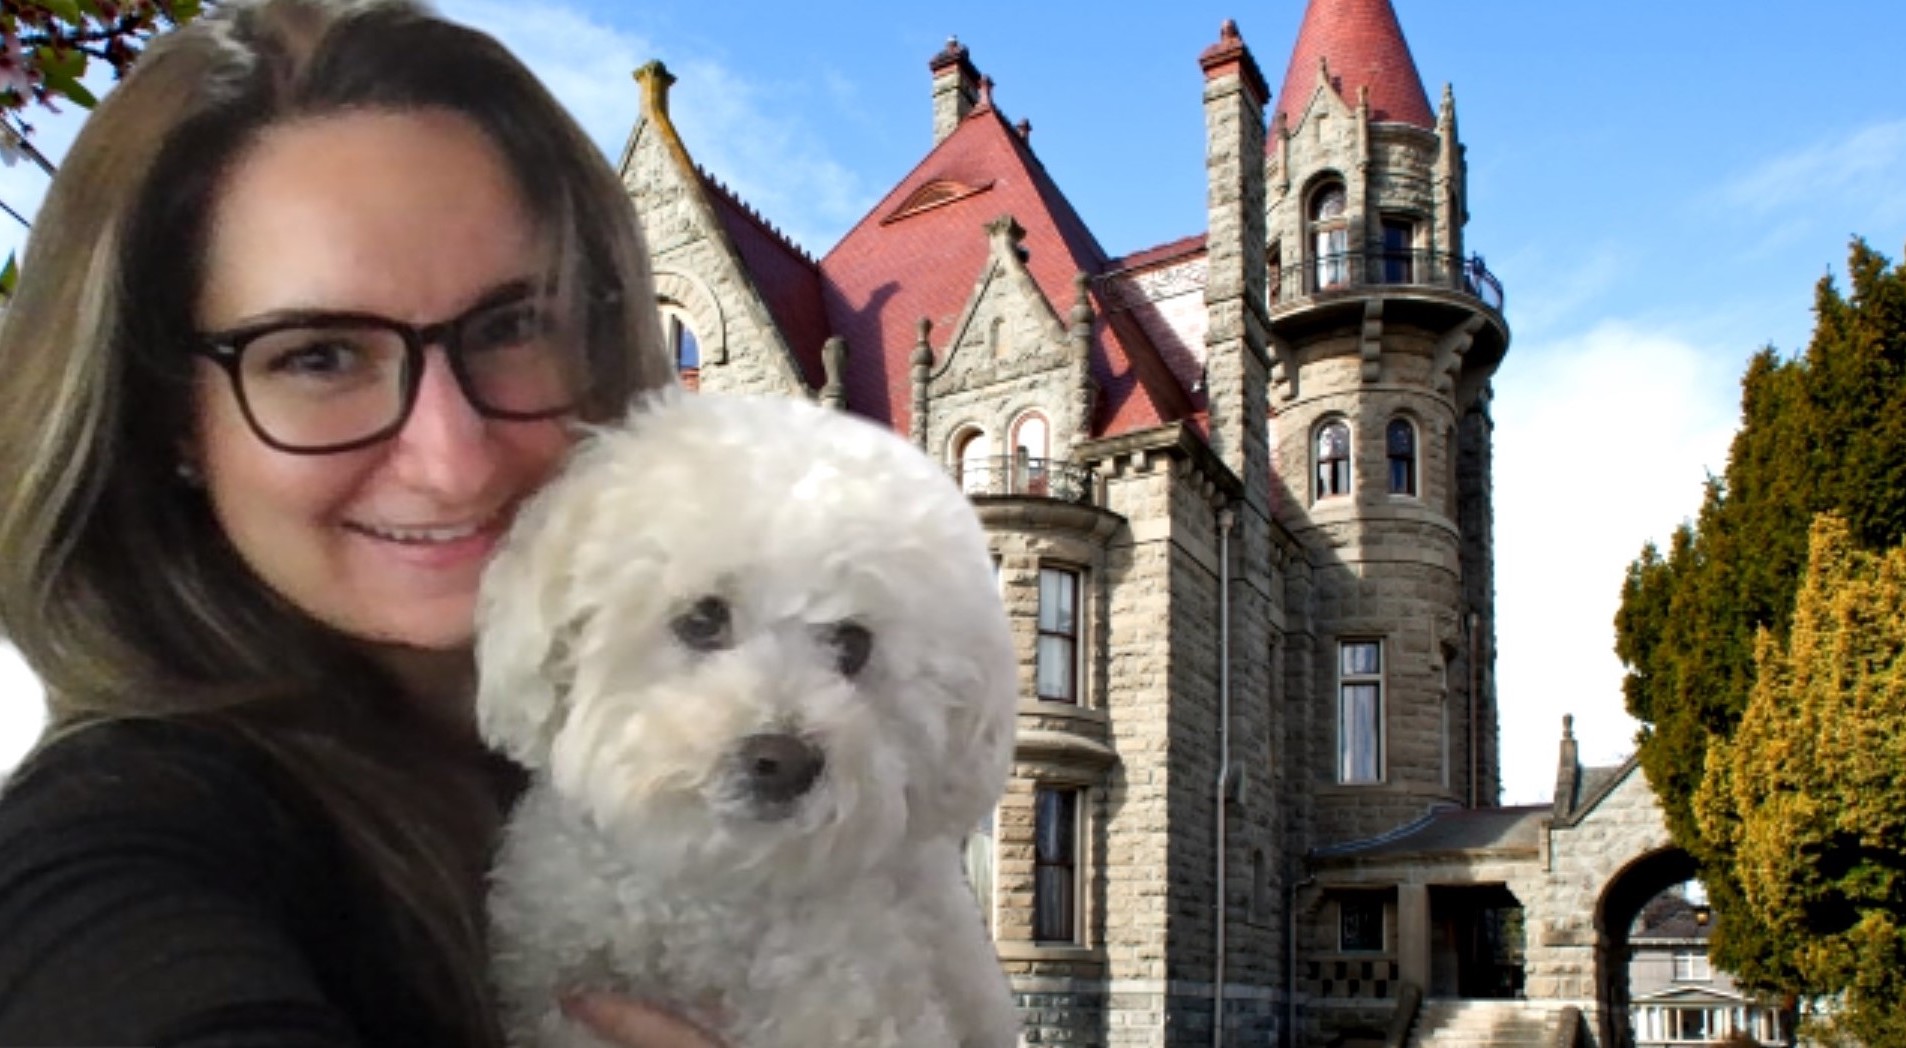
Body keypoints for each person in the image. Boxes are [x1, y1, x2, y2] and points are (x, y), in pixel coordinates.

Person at [0, 1, 719, 1044]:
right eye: (319, 355)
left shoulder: (661, 761)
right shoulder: (120, 842)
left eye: (511, 326)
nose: (449, 456)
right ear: (169, 417)